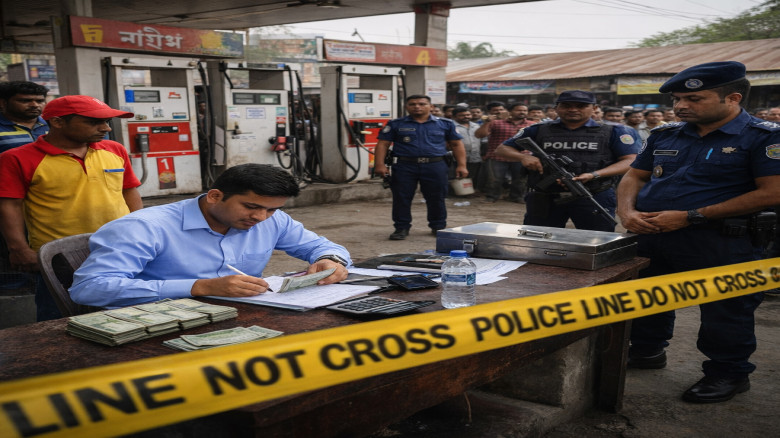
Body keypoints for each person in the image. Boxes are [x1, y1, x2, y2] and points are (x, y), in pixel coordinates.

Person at [617, 61, 780, 403]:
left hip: (721, 240)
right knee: (649, 298)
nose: (680, 106)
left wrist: (691, 216)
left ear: (732, 98)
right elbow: (635, 176)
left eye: (694, 99)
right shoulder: (667, 133)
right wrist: (627, 211)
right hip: (654, 233)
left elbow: (772, 192)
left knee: (725, 309)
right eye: (677, 99)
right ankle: (647, 352)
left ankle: (728, 373)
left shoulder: (764, 136)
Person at [70, 164, 350, 308]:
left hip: (237, 314)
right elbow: (91, 288)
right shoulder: (144, 227)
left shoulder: (271, 219)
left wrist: (332, 260)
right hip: (157, 324)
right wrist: (200, 287)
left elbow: (321, 246)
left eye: (272, 209)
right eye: (251, 207)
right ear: (215, 196)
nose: (260, 218)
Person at [0, 95, 143, 320]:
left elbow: (129, 190)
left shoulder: (114, 149)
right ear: (57, 122)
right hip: (60, 256)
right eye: (94, 122)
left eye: (107, 122)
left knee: (126, 313)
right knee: (59, 318)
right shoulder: (17, 158)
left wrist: (143, 231)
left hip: (119, 247)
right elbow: (10, 205)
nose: (105, 128)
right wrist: (18, 248)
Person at [495, 90, 640, 232]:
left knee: (597, 239)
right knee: (538, 238)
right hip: (545, 195)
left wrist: (594, 174)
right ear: (556, 108)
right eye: (566, 106)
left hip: (593, 193)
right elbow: (502, 149)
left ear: (594, 108)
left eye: (580, 106)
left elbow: (630, 160)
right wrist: (524, 157)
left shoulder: (615, 131)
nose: (573, 109)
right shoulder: (537, 129)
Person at [374, 95, 467, 240]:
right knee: (401, 197)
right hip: (405, 165)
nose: (417, 107)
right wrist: (379, 165)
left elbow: (456, 144)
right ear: (406, 107)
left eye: (422, 104)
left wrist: (462, 165)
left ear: (431, 107)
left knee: (437, 197)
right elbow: (383, 144)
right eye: (413, 104)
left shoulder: (445, 124)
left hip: (435, 165)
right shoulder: (395, 124)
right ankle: (401, 228)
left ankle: (438, 226)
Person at [476, 102, 535, 203]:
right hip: (497, 157)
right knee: (495, 179)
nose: (522, 112)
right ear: (510, 111)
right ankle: (492, 196)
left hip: (521, 157)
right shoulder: (496, 123)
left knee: (520, 179)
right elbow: (480, 135)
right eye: (519, 110)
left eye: (524, 110)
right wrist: (487, 122)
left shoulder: (531, 125)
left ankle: (517, 197)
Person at [0, 81, 49, 153]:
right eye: (25, 101)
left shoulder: (54, 124)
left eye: (40, 101)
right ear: (3, 103)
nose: (35, 105)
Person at [452, 107, 483, 192]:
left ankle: (469, 191)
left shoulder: (476, 126)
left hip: (474, 155)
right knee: (456, 174)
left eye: (468, 115)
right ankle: (456, 191)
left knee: (472, 175)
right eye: (462, 115)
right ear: (455, 116)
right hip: (456, 156)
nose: (466, 117)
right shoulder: (451, 126)